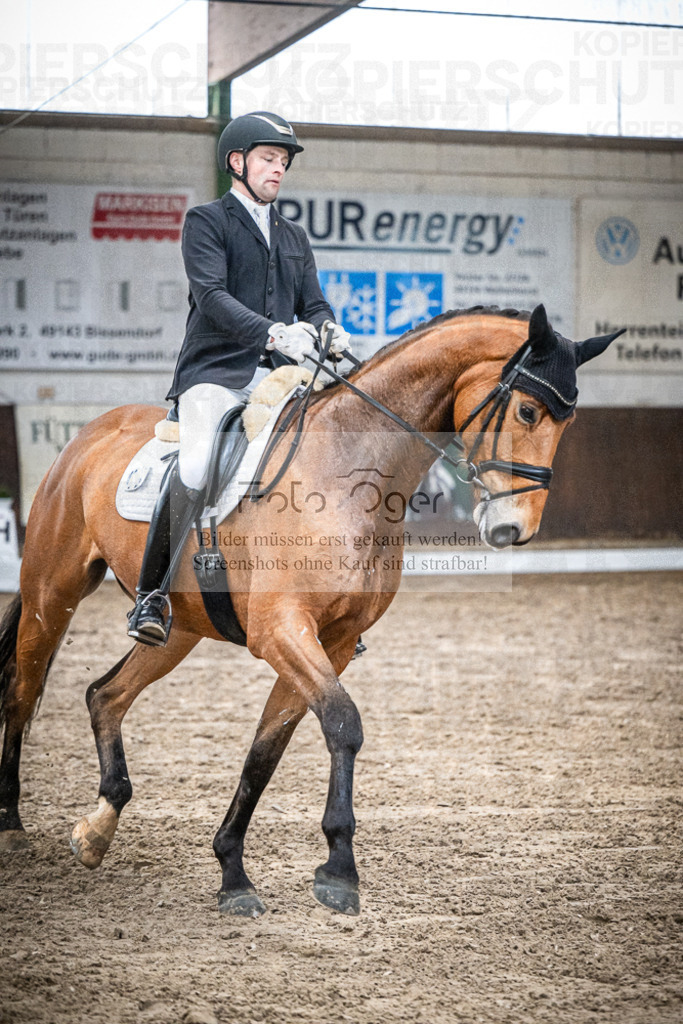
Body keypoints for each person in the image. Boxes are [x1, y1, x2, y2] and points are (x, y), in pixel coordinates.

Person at [127, 111, 350, 646]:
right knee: (200, 459)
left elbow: (313, 302)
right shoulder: (207, 221)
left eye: (283, 162)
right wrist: (276, 333)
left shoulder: (293, 234)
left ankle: (322, 592)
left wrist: (328, 330)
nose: (278, 170)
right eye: (269, 159)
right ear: (237, 161)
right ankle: (151, 594)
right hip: (216, 372)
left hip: (281, 376)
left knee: (322, 450)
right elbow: (212, 298)